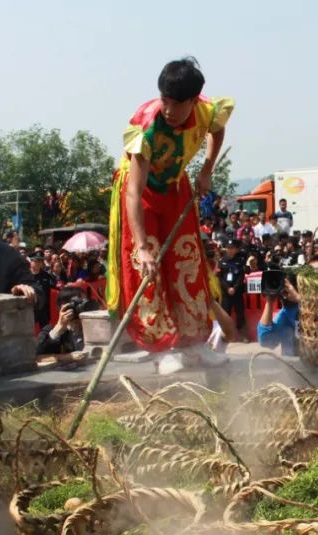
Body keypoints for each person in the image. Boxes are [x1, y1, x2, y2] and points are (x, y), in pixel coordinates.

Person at [106, 56, 233, 376]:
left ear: (193, 101)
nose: (168, 109)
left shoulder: (206, 111)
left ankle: (194, 345)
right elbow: (134, 192)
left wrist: (206, 169)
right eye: (164, 100)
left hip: (177, 187)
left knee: (187, 259)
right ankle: (161, 348)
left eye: (176, 104)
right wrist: (141, 246)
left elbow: (217, 132)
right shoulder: (146, 127)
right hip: (143, 195)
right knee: (149, 269)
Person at [257, 256, 318, 356]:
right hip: (293, 368)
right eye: (311, 273)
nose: (316, 277)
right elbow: (266, 340)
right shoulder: (291, 312)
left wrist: (299, 298)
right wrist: (269, 301)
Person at [36, 287, 92, 356]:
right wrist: (58, 329)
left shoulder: (92, 327)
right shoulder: (49, 330)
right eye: (77, 304)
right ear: (62, 308)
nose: (81, 307)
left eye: (84, 303)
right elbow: (37, 353)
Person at [218, 237, 247, 337]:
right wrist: (228, 288)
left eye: (232, 248)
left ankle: (243, 335)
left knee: (240, 314)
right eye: (228, 247)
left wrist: (234, 287)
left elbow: (241, 276)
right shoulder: (221, 261)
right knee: (226, 314)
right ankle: (226, 335)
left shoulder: (240, 261)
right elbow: (220, 278)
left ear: (236, 249)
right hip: (226, 293)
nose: (230, 250)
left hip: (237, 291)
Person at [28, 253, 57, 328]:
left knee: (44, 330)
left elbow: (54, 288)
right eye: (36, 261)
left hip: (44, 309)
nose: (38, 263)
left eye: (40, 261)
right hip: (30, 309)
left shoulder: (46, 276)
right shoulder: (26, 276)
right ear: (30, 261)